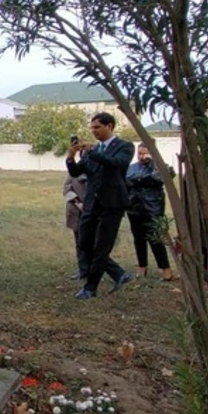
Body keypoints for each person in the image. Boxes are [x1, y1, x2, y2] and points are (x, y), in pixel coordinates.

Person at [66, 112, 136, 300]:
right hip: (91, 203)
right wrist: (71, 156)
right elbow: (75, 171)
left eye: (97, 127)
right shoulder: (93, 151)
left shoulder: (125, 146)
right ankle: (119, 274)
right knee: (84, 243)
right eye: (92, 128)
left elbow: (116, 164)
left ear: (110, 126)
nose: (93, 131)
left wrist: (93, 153)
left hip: (112, 204)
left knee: (101, 247)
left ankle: (91, 288)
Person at [126, 143, 174, 281]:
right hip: (134, 209)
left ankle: (165, 268)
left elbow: (159, 178)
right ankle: (142, 266)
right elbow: (126, 182)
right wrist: (143, 180)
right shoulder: (131, 168)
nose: (142, 156)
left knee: (155, 239)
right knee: (138, 239)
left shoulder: (159, 166)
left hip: (153, 208)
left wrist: (138, 180)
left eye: (145, 153)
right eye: (140, 153)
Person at [63, 174, 88, 279]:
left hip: (94, 212)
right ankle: (83, 270)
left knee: (94, 243)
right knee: (79, 243)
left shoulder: (98, 169)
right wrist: (78, 202)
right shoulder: (74, 171)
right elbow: (66, 189)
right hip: (77, 212)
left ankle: (95, 270)